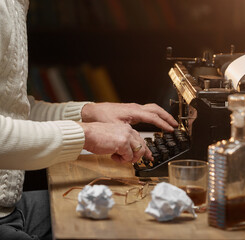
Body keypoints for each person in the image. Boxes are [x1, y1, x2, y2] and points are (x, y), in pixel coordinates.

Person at [0, 1, 178, 239]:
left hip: (11, 207)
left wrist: (89, 111)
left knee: (135, 213)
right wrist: (87, 134)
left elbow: (11, 110)